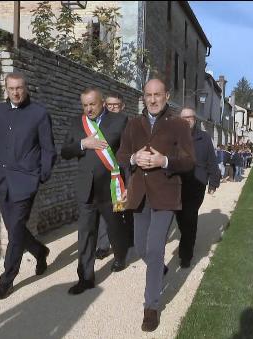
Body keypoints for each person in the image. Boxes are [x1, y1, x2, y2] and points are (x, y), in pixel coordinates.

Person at [116, 78, 195, 332]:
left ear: (166, 95)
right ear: (143, 96)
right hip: (139, 196)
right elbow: (120, 154)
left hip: (165, 196)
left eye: (157, 95)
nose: (152, 99)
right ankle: (157, 266)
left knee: (156, 246)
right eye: (148, 95)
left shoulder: (179, 125)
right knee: (142, 248)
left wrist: (164, 161)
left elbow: (188, 161)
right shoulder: (132, 124)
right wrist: (132, 157)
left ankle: (151, 307)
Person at [0, 72, 57, 300]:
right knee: (14, 229)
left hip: (25, 182)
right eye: (11, 88)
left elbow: (48, 149)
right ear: (5, 88)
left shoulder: (39, 114)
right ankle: (39, 250)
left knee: (15, 230)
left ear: (26, 88)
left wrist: (40, 176)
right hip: (2, 180)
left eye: (20, 88)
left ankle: (7, 279)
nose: (16, 92)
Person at [61, 88, 130, 295]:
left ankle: (119, 256)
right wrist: (83, 143)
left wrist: (128, 185)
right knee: (85, 233)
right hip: (86, 188)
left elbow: (126, 153)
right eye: (85, 105)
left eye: (92, 104)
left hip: (111, 187)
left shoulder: (120, 120)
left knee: (115, 227)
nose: (88, 109)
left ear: (102, 103)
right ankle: (86, 278)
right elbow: (65, 152)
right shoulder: (77, 123)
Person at [176, 108, 220, 268]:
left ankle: (186, 254)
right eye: (184, 117)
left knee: (190, 217)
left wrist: (214, 182)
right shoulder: (174, 137)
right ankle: (186, 238)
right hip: (177, 184)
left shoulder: (204, 137)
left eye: (190, 117)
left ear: (195, 119)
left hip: (197, 184)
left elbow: (212, 161)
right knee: (180, 218)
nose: (187, 120)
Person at [95, 92, 133, 260]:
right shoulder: (99, 124)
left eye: (115, 106)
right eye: (108, 105)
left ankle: (127, 238)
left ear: (122, 107)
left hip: (123, 172)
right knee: (105, 210)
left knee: (125, 208)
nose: (111, 108)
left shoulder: (129, 125)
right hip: (104, 175)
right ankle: (103, 246)